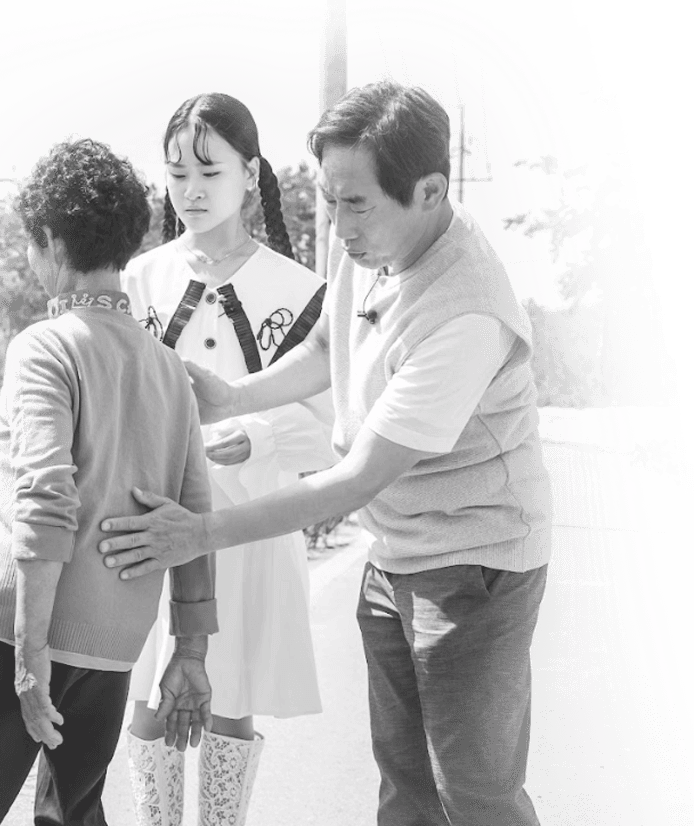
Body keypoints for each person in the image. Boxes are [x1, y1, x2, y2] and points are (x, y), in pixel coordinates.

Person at [98, 80, 553, 826]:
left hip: (471, 563)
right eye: (329, 200)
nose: (337, 227)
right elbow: (324, 345)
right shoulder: (380, 238)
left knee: (471, 790)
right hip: (396, 551)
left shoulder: (464, 314)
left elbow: (353, 479)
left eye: (355, 205)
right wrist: (232, 396)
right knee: (404, 784)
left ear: (429, 191)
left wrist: (197, 532)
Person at [0, 137, 218, 826]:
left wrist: (30, 660)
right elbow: (194, 519)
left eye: (31, 245)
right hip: (111, 650)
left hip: (11, 637)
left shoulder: (45, 346)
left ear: (53, 243)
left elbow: (46, 501)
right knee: (72, 818)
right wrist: (191, 649)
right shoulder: (168, 369)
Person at [120, 92, 335, 826]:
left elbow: (333, 428)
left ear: (250, 173)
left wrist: (262, 438)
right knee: (146, 700)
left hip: (252, 524)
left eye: (209, 172)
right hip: (151, 520)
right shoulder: (136, 281)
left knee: (231, 703)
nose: (191, 190)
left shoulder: (301, 291)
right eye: (177, 173)